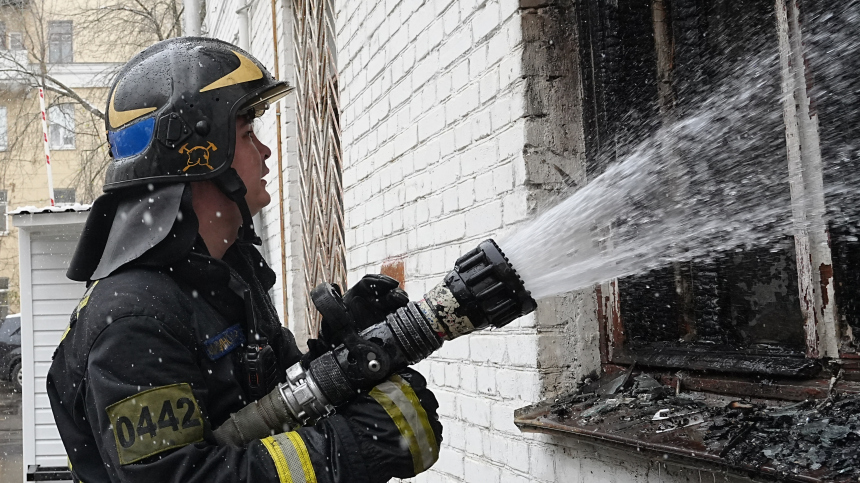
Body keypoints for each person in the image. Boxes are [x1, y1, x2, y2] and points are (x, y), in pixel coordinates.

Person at [47, 37, 442, 483]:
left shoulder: (227, 275)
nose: (267, 152)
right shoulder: (134, 318)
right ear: (202, 154)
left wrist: (341, 351)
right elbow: (180, 477)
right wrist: (349, 450)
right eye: (247, 133)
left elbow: (269, 406)